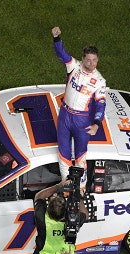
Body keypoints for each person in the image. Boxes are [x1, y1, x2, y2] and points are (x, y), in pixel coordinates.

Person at [51, 26, 107, 190]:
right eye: (88, 59)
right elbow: (62, 54)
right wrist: (56, 39)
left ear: (97, 60)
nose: (91, 63)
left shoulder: (100, 81)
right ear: (83, 58)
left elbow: (100, 103)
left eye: (94, 60)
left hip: (82, 120)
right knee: (63, 153)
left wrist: (97, 123)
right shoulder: (73, 65)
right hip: (65, 115)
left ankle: (81, 189)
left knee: (81, 154)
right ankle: (66, 186)